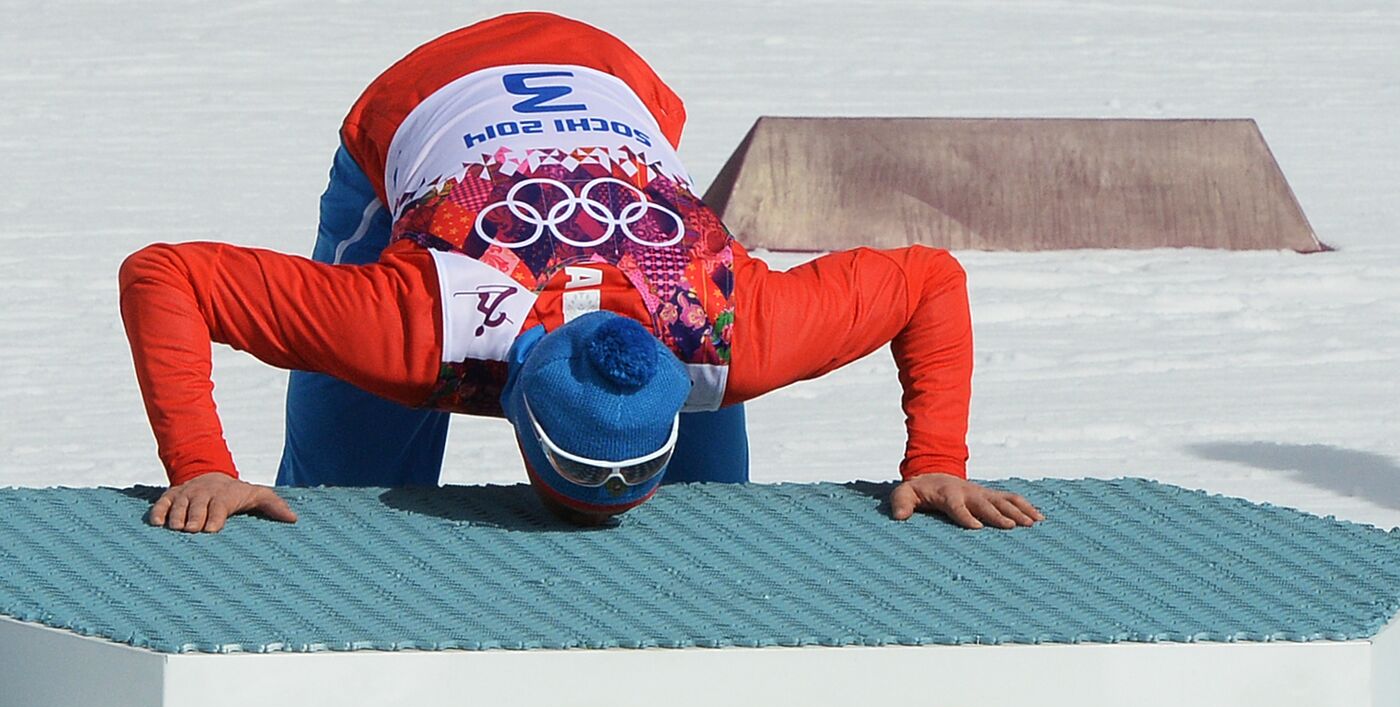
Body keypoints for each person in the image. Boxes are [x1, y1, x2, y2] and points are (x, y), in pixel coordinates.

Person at [118, 12, 1043, 533]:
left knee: (706, 530)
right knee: (329, 491)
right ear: (508, 404)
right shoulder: (416, 319)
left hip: (619, 90)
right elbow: (166, 276)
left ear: (674, 379)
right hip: (427, 94)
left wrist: (937, 461)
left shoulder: (725, 328)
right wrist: (205, 468)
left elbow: (928, 281)